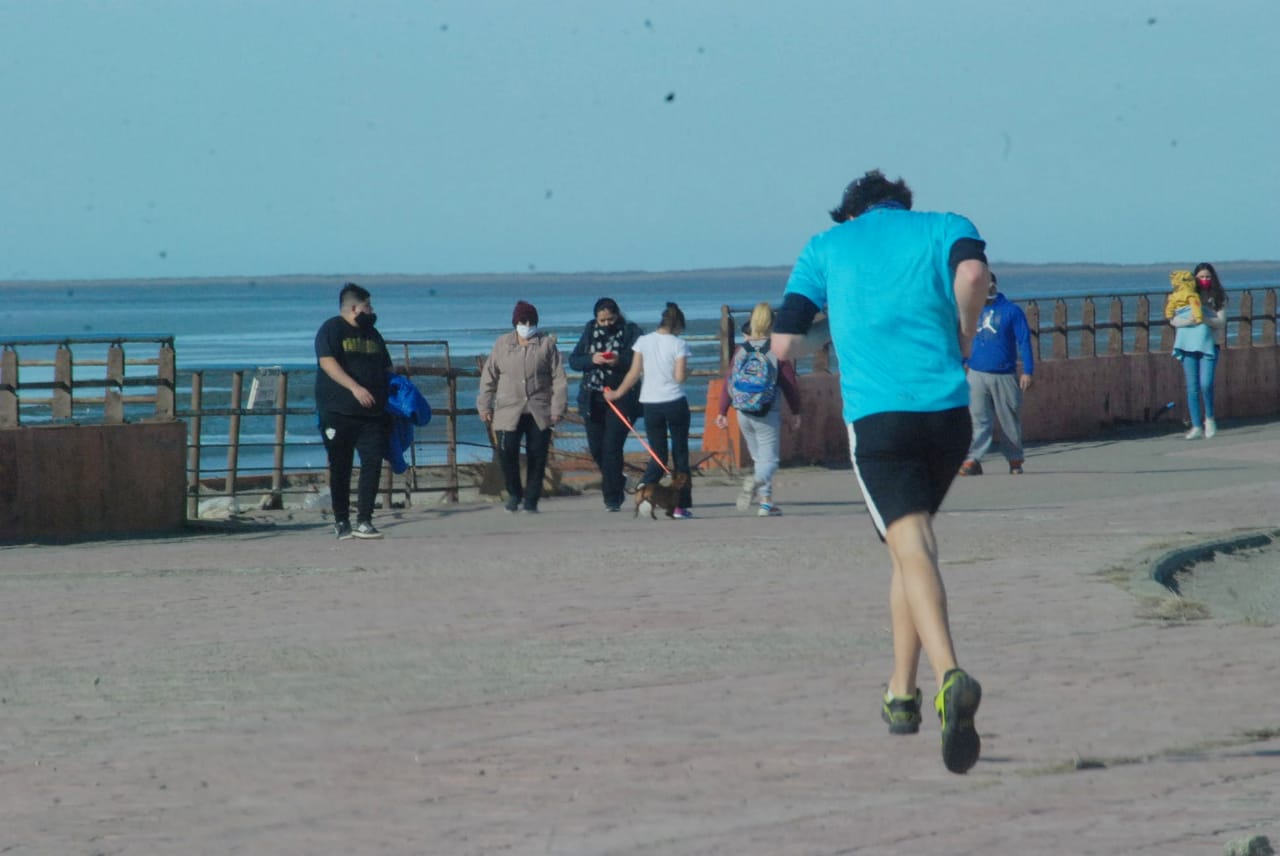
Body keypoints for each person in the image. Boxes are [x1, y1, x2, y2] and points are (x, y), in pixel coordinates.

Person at [770, 169, 990, 774]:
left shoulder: (825, 246)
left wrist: (832, 322)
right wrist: (964, 333)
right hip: (948, 418)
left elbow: (785, 342)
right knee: (907, 546)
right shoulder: (947, 227)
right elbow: (973, 275)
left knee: (912, 543)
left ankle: (949, 677)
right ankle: (901, 694)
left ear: (849, 213)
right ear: (902, 205)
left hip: (880, 422)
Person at [315, 281, 392, 540]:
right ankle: (341, 520)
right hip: (338, 411)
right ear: (354, 308)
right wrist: (355, 388)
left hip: (372, 414)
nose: (372, 311)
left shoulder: (374, 335)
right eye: (368, 306)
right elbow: (327, 363)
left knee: (372, 462)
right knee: (341, 466)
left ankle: (365, 520)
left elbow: (387, 367)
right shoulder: (332, 329)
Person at [477, 300, 568, 513]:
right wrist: (484, 406)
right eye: (522, 321)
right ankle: (514, 492)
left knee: (538, 454)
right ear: (515, 322)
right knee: (506, 451)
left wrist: (557, 408)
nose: (526, 325)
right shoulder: (502, 344)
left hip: (538, 409)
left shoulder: (546, 344)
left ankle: (531, 499)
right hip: (508, 409)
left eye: (530, 321)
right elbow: (489, 377)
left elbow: (559, 379)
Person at [605, 302, 694, 518]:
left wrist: (616, 393)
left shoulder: (643, 342)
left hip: (651, 405)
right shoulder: (678, 344)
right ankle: (680, 505)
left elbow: (634, 373)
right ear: (678, 325)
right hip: (675, 402)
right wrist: (688, 372)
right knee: (680, 453)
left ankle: (645, 488)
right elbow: (680, 377)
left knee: (658, 454)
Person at [714, 302, 802, 516]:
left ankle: (766, 503)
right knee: (770, 460)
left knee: (758, 459)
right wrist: (796, 411)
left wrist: (722, 411)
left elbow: (729, 381)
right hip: (767, 412)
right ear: (773, 323)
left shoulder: (741, 349)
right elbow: (789, 383)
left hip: (743, 411)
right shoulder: (777, 350)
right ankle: (756, 481)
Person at [568, 298, 644, 512]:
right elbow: (574, 361)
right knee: (597, 449)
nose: (606, 324)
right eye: (602, 320)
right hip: (592, 398)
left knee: (612, 447)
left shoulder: (631, 331)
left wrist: (618, 360)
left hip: (622, 397)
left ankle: (612, 498)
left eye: (610, 319)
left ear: (617, 315)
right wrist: (593, 359)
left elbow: (639, 360)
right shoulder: (589, 330)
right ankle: (618, 481)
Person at [958, 271, 1035, 475]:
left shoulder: (1011, 311)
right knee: (978, 418)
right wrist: (963, 362)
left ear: (993, 286)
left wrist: (1027, 370)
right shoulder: (972, 310)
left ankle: (1015, 459)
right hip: (976, 373)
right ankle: (973, 459)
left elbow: (1024, 341)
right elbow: (966, 338)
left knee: (1009, 417)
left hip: (1004, 374)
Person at [1169, 263, 1227, 439]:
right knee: (1192, 387)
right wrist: (1190, 321)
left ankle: (1209, 418)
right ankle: (1196, 425)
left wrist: (1204, 319)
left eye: (1208, 277)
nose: (1204, 280)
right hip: (1188, 345)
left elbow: (1221, 321)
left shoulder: (1219, 297)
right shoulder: (1185, 295)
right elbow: (1173, 318)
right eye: (1201, 277)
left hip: (1210, 344)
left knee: (1206, 383)